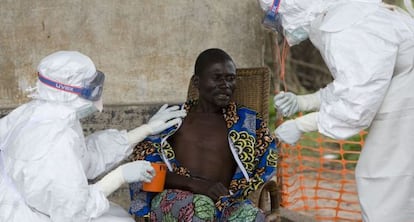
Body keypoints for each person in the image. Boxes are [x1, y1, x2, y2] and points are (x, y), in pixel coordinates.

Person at [258, 0, 414, 221]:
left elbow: (357, 104)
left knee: (381, 183)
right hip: (403, 99)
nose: (281, 26)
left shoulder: (344, 28)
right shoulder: (351, 14)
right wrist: (303, 103)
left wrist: (302, 125)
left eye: (277, 18)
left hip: (405, 107)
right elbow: (354, 84)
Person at [0, 51, 186, 222]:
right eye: (92, 88)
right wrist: (119, 177)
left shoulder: (45, 114)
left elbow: (83, 158)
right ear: (67, 91)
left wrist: (143, 130)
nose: (98, 98)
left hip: (42, 206)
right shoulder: (55, 142)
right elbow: (73, 211)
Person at [128, 48, 278, 221]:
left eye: (230, 79)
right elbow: (146, 169)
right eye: (217, 78)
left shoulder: (247, 123)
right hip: (175, 198)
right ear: (197, 82)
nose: (225, 85)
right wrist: (197, 185)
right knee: (200, 208)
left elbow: (267, 161)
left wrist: (240, 191)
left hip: (225, 203)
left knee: (254, 217)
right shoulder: (174, 119)